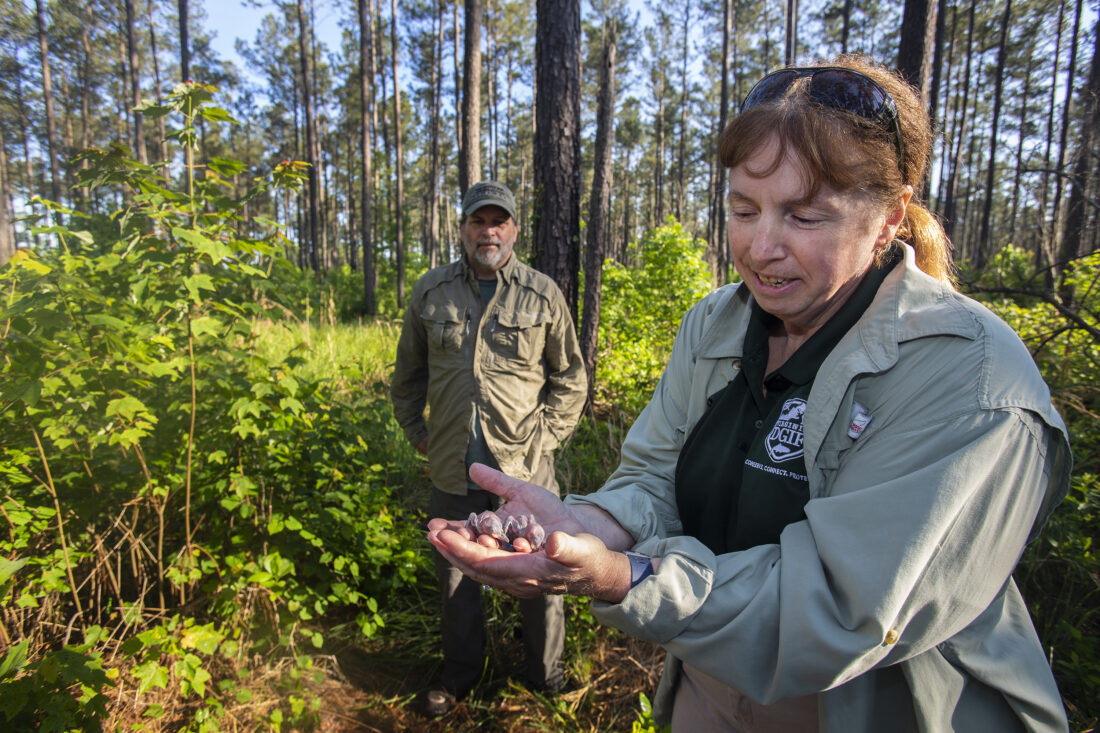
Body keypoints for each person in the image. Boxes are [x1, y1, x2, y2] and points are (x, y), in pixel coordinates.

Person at [427, 56, 1072, 732]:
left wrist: (630, 577)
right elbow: (654, 473)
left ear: (889, 217)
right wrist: (588, 526)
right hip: (710, 692)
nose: (761, 247)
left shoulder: (969, 377)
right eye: (743, 208)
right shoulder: (716, 324)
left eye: (804, 216)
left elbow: (840, 610)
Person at [391, 180, 587, 716]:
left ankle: (546, 677)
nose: (489, 231)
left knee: (545, 572)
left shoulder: (542, 293)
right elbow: (407, 377)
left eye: (499, 221)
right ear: (463, 229)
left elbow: (570, 377)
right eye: (479, 221)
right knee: (455, 576)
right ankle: (460, 674)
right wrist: (420, 435)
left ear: (515, 230)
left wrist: (544, 439)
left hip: (525, 472)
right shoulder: (432, 292)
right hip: (454, 472)